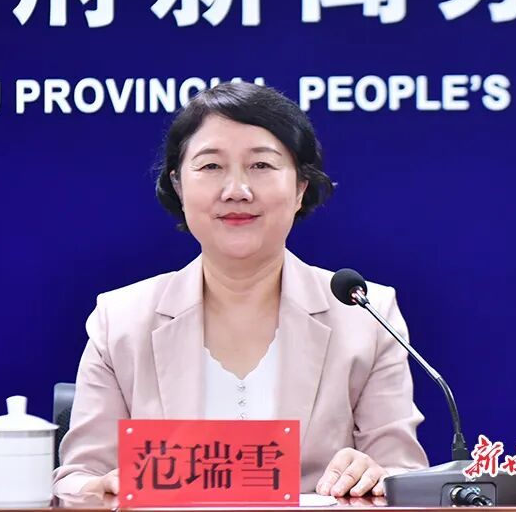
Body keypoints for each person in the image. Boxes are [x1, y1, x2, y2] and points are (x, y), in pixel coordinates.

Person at [53, 82, 428, 499]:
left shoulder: (365, 314)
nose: (236, 190)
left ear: (300, 187)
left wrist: (375, 476)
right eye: (211, 166)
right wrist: (103, 487)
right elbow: (76, 479)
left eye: (261, 165)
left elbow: (403, 475)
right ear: (179, 185)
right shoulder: (121, 320)